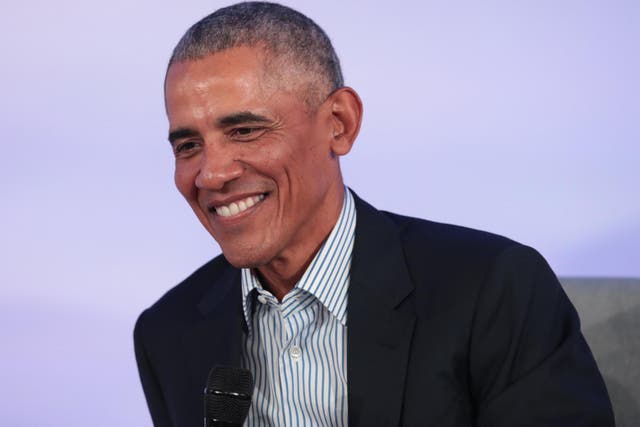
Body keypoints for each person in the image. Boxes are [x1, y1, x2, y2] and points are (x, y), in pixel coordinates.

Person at [134, 2, 614, 426]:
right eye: (188, 145)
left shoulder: (494, 290)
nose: (211, 175)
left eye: (243, 131)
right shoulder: (168, 335)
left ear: (339, 125)